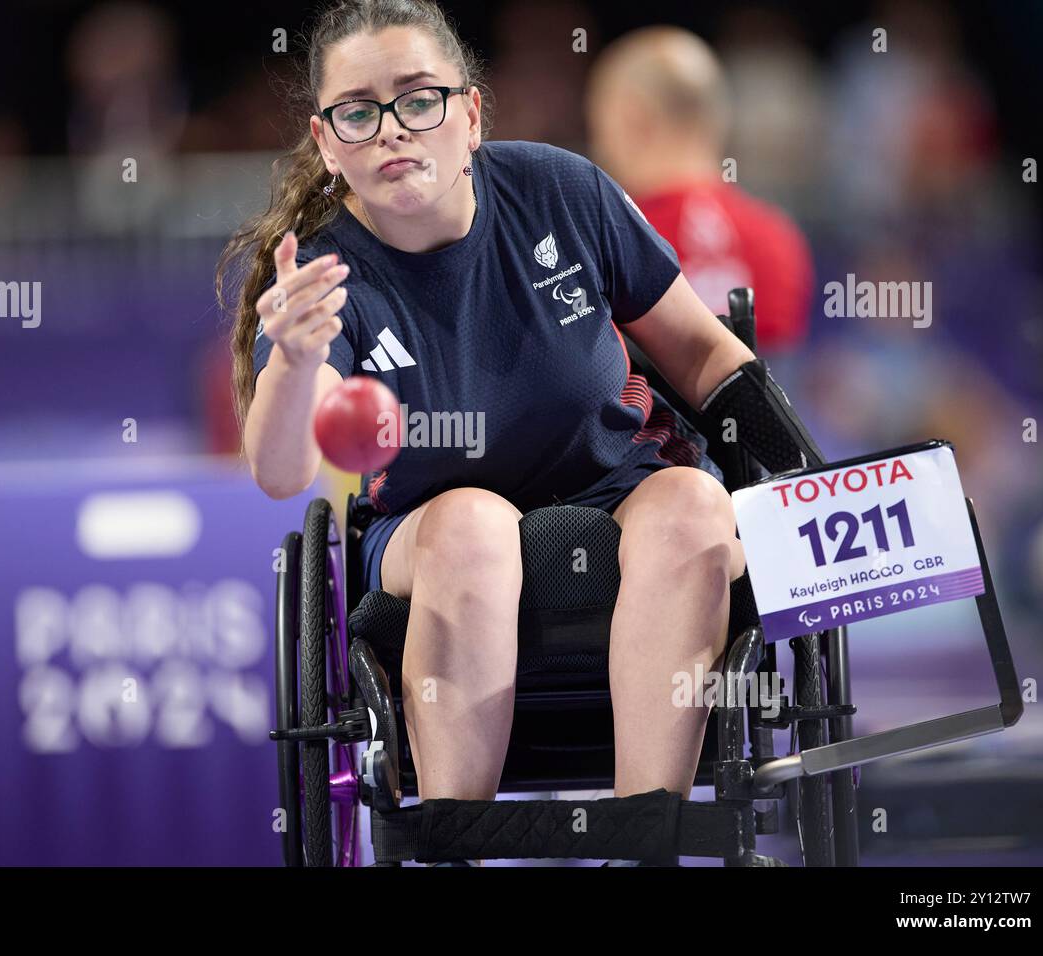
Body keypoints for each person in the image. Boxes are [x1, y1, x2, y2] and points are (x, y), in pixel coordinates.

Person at [216, 0, 818, 866]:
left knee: (693, 503)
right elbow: (280, 473)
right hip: (427, 530)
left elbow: (701, 353)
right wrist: (294, 361)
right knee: (473, 523)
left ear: (470, 113)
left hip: (619, 490)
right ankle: (454, 846)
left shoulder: (562, 192)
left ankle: (642, 844)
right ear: (327, 139)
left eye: (419, 99)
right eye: (359, 111)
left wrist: (807, 471)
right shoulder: (322, 277)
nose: (392, 130)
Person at [585, 26, 814, 354]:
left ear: (634, 119)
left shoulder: (605, 240)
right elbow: (777, 388)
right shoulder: (779, 238)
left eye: (598, 125)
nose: (598, 145)